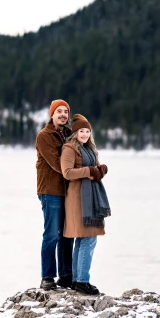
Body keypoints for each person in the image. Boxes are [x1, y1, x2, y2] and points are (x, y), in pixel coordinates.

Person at [60, 114, 111, 295]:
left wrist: (101, 169)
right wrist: (89, 171)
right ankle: (82, 280)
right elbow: (67, 172)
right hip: (78, 199)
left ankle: (76, 280)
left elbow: (95, 169)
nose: (84, 134)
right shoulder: (69, 148)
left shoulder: (90, 148)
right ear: (75, 132)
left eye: (87, 131)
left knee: (83, 240)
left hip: (90, 198)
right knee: (88, 239)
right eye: (81, 131)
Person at [36, 99, 74, 291]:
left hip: (68, 190)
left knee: (67, 234)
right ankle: (47, 276)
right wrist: (81, 170)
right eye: (59, 111)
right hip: (50, 190)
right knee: (51, 234)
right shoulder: (45, 136)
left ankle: (66, 275)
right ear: (52, 114)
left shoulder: (69, 134)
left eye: (65, 112)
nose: (62, 115)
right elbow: (57, 163)